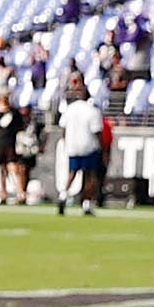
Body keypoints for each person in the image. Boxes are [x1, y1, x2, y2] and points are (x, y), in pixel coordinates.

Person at [56, 81, 109, 212]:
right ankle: (86, 203)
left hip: (73, 146)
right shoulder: (92, 111)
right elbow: (96, 131)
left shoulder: (69, 109)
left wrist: (66, 142)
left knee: (72, 173)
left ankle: (63, 195)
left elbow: (63, 127)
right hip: (89, 146)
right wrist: (103, 149)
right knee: (90, 176)